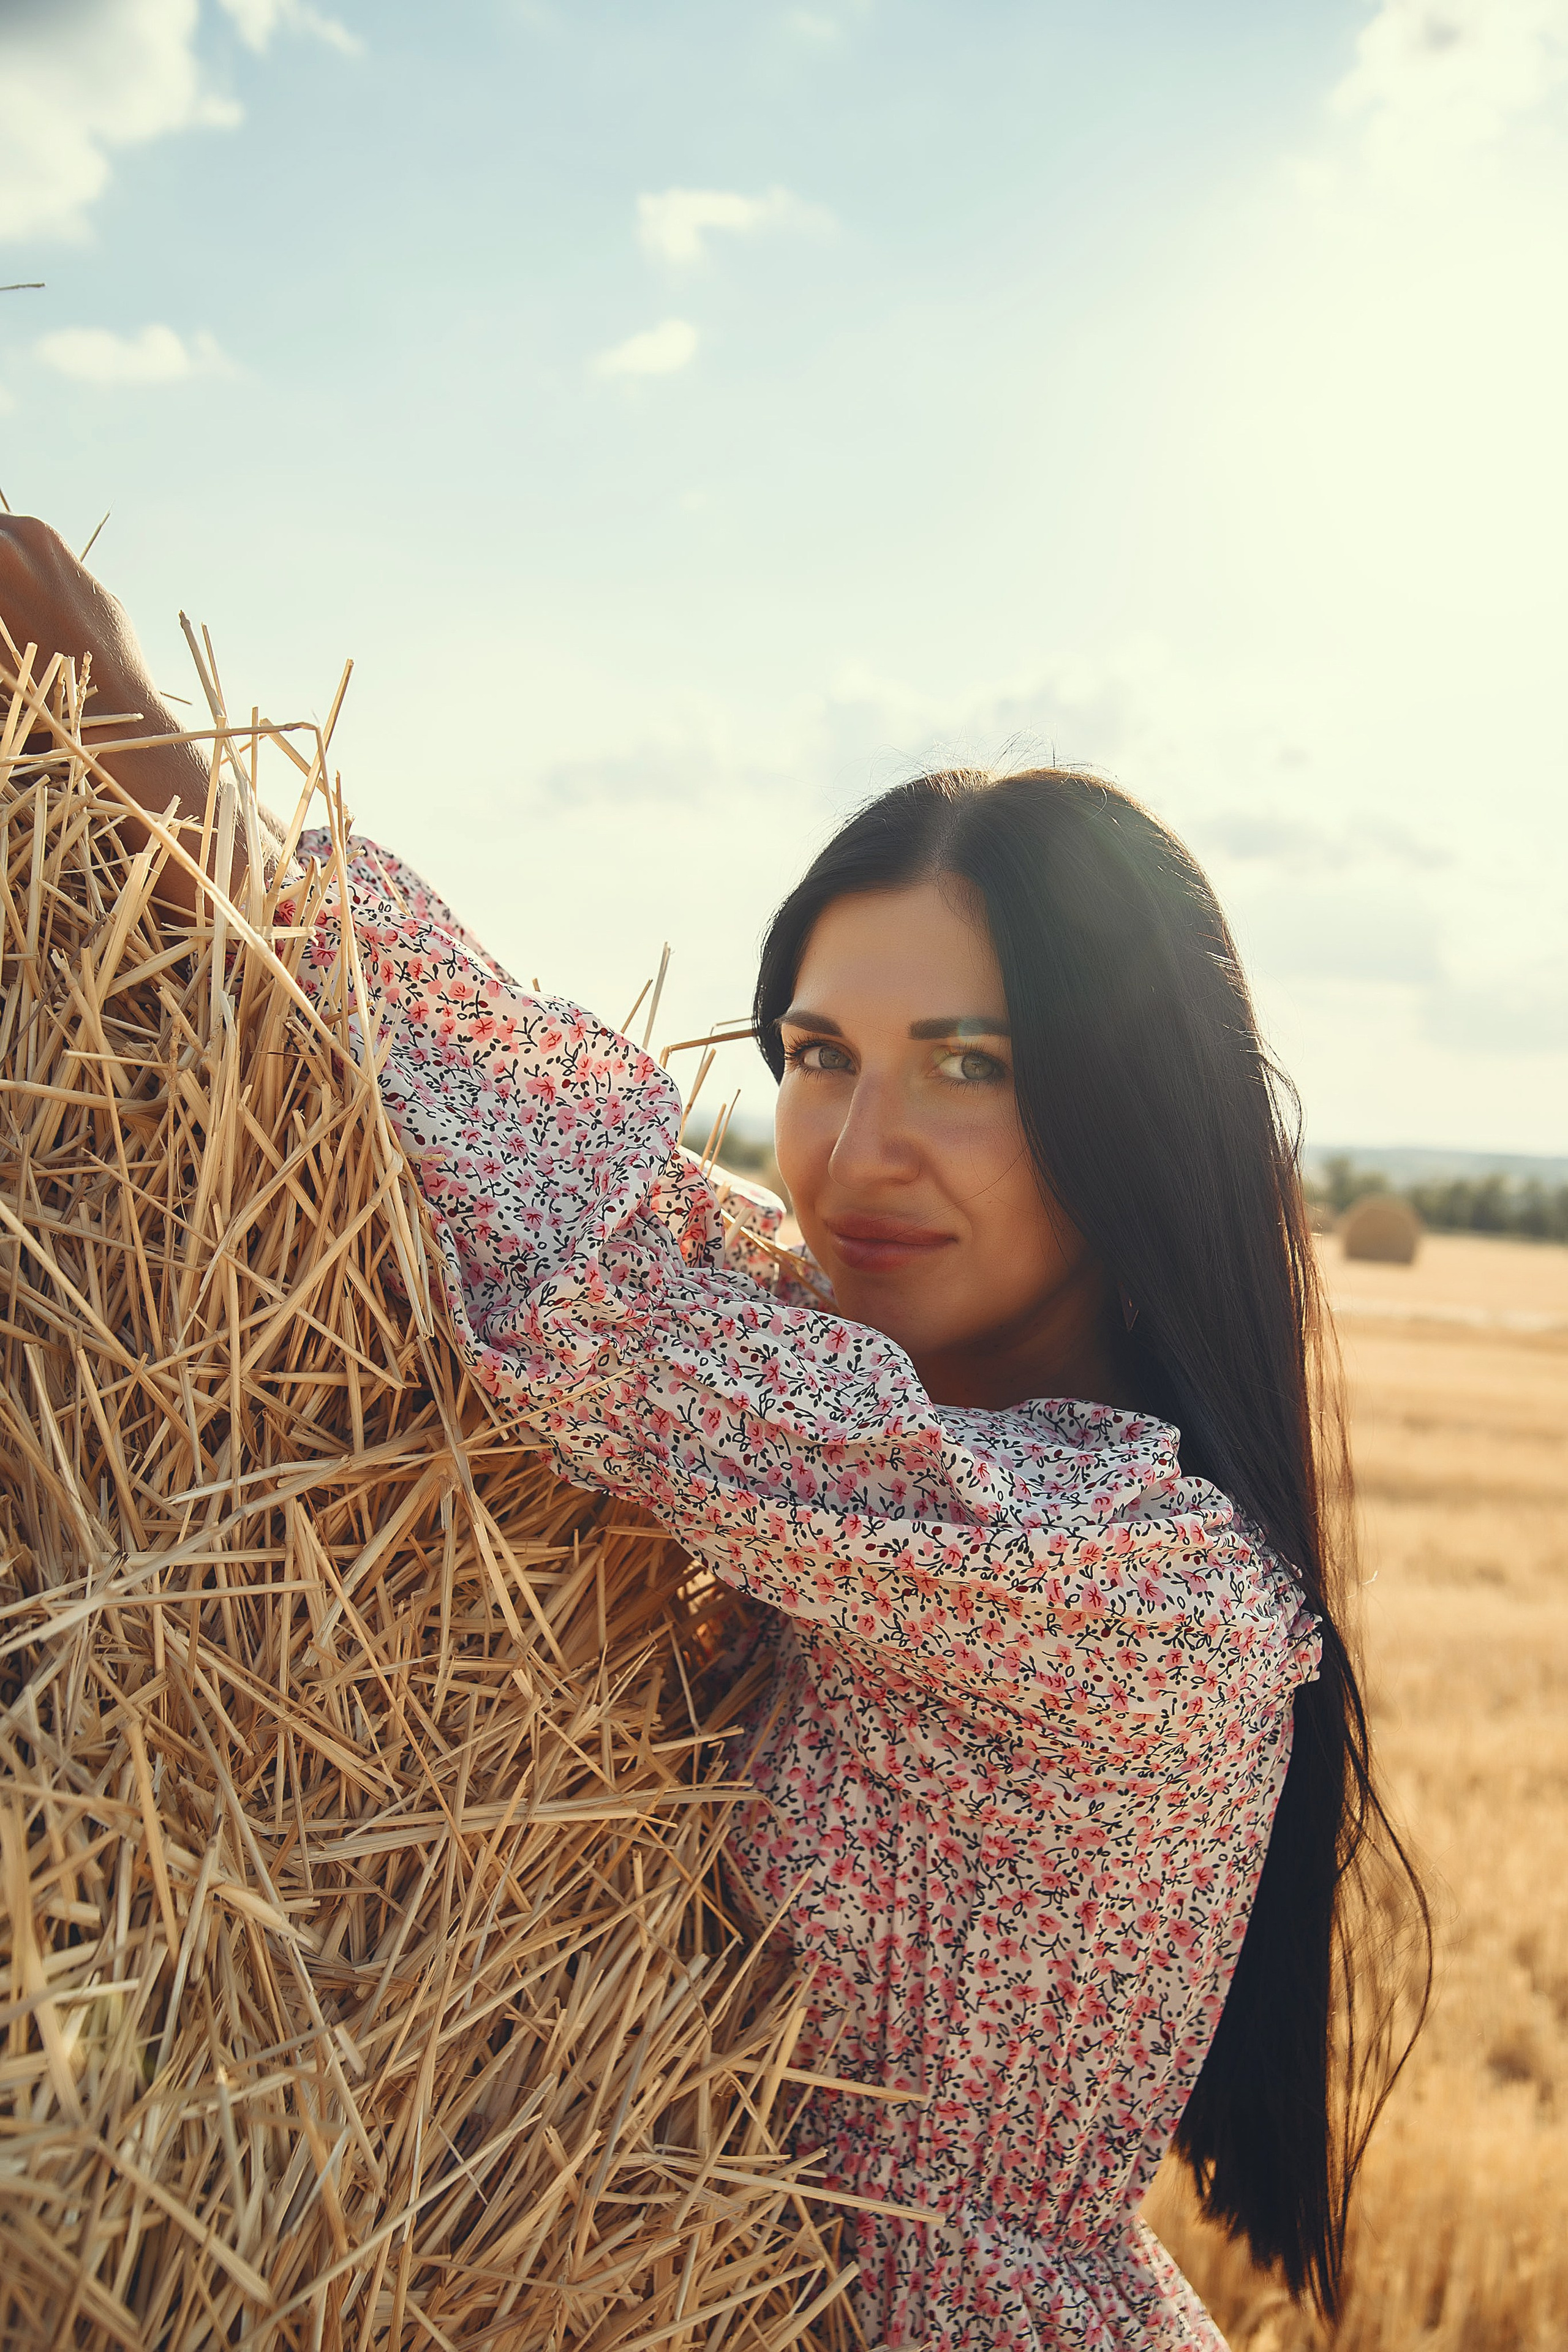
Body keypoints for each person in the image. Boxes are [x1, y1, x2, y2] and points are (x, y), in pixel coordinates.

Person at [0, 519, 1423, 2351]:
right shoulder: (886, 1398)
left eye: (969, 1065)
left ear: (1131, 1113)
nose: (854, 1150)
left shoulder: (1130, 1580)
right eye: (819, 1054)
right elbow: (660, 1219)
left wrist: (162, 757)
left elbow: (612, 1299)